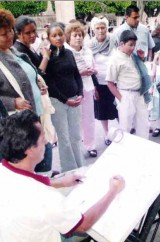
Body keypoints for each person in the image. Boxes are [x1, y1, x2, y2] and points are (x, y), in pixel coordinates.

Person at [0, 109, 125, 242]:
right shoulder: (44, 197)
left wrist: (59, 182)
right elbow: (83, 226)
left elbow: (28, 182)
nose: (47, 141)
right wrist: (112, 191)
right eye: (42, 139)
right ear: (29, 149)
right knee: (70, 233)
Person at [0, 9, 52, 174]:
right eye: (3, 34)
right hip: (19, 129)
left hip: (37, 116)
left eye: (10, 31)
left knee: (43, 165)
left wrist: (38, 83)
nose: (10, 36)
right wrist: (12, 102)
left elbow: (30, 75)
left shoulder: (15, 52)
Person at [41, 23, 85, 172]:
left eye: (60, 34)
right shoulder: (48, 57)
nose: (58, 38)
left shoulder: (69, 53)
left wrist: (80, 93)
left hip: (75, 99)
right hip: (58, 102)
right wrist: (65, 100)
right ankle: (70, 170)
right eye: (54, 35)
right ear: (49, 38)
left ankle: (81, 167)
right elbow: (50, 83)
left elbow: (76, 75)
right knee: (64, 138)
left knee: (76, 136)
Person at [106, 30, 151, 139]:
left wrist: (141, 59)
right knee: (125, 126)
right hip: (126, 94)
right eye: (130, 45)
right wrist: (121, 99)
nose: (133, 48)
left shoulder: (133, 56)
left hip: (139, 93)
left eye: (134, 45)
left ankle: (143, 148)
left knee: (143, 123)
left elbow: (139, 70)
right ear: (122, 44)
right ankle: (124, 151)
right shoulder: (114, 59)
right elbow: (110, 83)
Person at [65, 21, 98, 158]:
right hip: (73, 90)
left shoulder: (88, 51)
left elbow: (95, 68)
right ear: (69, 37)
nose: (78, 38)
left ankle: (90, 145)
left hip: (88, 88)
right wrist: (80, 73)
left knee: (89, 119)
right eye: (75, 35)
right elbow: (64, 73)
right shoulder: (66, 53)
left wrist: (92, 71)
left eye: (80, 35)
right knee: (74, 121)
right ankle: (76, 148)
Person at [88, 16, 118, 146]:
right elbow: (89, 66)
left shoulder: (113, 40)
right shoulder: (89, 46)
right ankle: (107, 134)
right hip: (99, 83)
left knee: (119, 109)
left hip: (115, 81)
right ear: (93, 29)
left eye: (103, 27)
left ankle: (124, 130)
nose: (100, 30)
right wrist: (94, 87)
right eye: (98, 28)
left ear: (107, 28)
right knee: (103, 111)